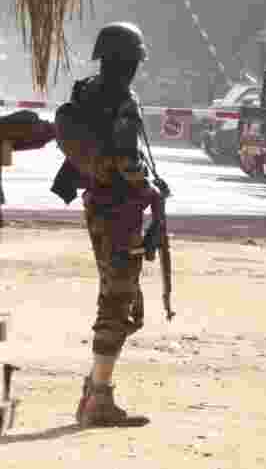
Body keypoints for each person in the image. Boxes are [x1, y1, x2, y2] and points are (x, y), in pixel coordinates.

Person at [52, 22, 161, 427]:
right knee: (119, 301)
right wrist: (150, 189)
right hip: (120, 211)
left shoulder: (86, 91)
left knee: (118, 299)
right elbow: (126, 160)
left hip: (98, 206)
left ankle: (95, 389)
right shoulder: (122, 100)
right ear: (131, 61)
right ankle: (98, 398)